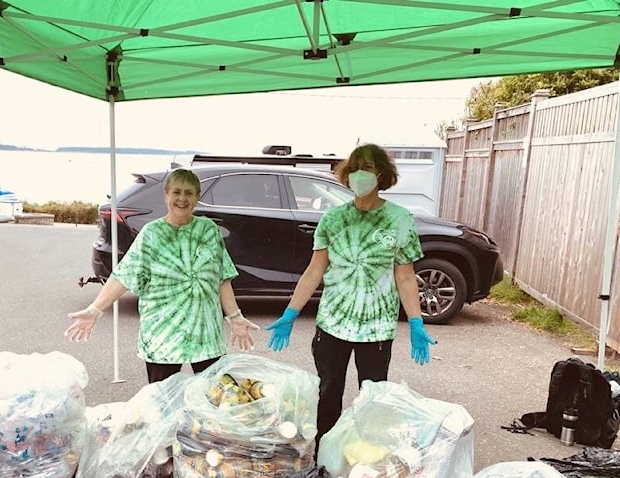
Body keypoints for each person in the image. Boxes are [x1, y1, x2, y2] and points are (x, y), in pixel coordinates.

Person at [265, 143, 435, 441]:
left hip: (377, 328)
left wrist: (416, 323)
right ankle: (325, 461)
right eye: (355, 168)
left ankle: (363, 462)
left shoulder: (400, 219)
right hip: (333, 323)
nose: (360, 175)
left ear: (381, 173)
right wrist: (291, 312)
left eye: (367, 168)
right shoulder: (333, 219)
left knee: (371, 400)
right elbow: (315, 270)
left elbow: (405, 276)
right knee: (328, 394)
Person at [65, 168, 259, 383]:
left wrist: (235, 317)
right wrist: (95, 309)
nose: (182, 198)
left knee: (215, 396)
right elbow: (124, 275)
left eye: (189, 193)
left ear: (197, 197)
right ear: (166, 195)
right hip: (163, 334)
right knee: (163, 401)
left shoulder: (208, 231)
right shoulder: (152, 234)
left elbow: (222, 278)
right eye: (176, 192)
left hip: (206, 332)